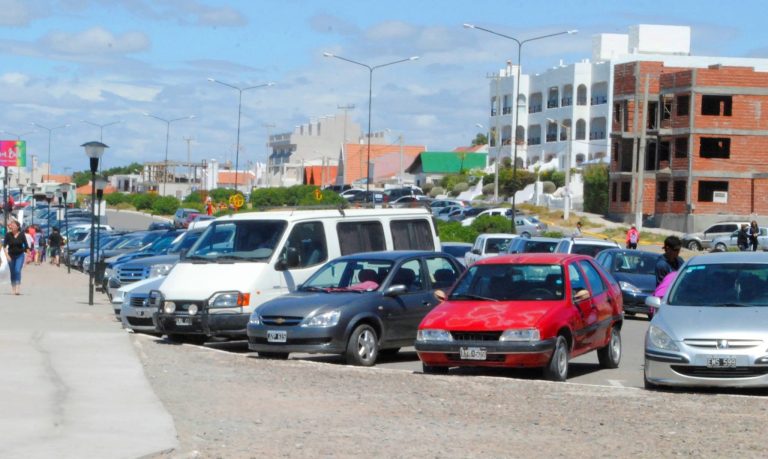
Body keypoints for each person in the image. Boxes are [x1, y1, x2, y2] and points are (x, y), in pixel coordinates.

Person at [3, 220, 29, 295]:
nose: (12, 226)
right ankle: (13, 288)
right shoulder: (8, 235)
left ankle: (17, 288)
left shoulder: (22, 235)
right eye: (11, 225)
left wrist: (28, 257)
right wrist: (7, 255)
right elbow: (4, 246)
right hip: (10, 256)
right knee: (12, 272)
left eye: (14, 225)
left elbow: (26, 246)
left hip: (20, 255)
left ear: (18, 227)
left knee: (17, 270)